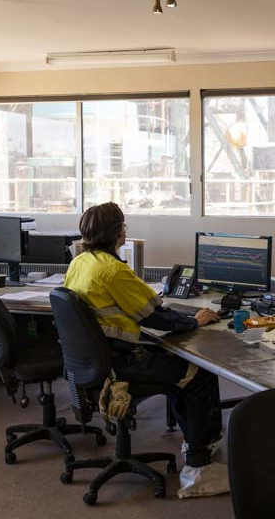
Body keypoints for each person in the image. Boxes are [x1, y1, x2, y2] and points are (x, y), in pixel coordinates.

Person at [64, 202, 228, 498]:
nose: (125, 230)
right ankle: (199, 469)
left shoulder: (80, 262)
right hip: (119, 365)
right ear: (117, 232)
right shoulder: (112, 270)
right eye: (123, 226)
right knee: (198, 372)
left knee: (177, 366)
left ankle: (196, 443)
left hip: (95, 363)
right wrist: (195, 320)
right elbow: (155, 315)